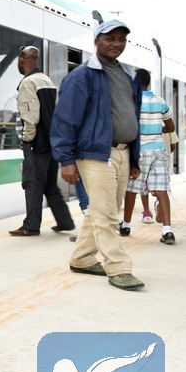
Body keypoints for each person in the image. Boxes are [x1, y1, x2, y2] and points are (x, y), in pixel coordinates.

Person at [51, 19, 144, 291]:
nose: (116, 44)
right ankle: (119, 267)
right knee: (107, 215)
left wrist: (134, 159)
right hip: (95, 154)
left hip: (123, 151)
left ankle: (81, 258)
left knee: (101, 211)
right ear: (96, 41)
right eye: (110, 38)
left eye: (121, 39)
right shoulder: (82, 76)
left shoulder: (129, 75)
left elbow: (132, 116)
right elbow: (64, 120)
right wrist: (66, 160)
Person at [9, 46, 74, 236]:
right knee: (50, 185)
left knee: (32, 184)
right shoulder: (47, 80)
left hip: (37, 144)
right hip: (52, 142)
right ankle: (64, 221)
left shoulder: (28, 82)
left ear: (22, 59)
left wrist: (26, 140)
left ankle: (31, 225)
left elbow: (31, 117)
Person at [120, 68, 176, 244]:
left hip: (140, 150)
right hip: (159, 150)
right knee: (161, 189)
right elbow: (171, 127)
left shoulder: (132, 101)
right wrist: (158, 130)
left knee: (131, 188)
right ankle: (168, 231)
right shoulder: (160, 101)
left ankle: (126, 225)